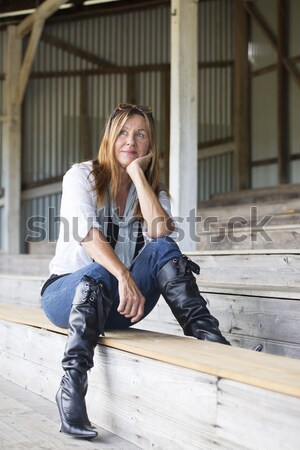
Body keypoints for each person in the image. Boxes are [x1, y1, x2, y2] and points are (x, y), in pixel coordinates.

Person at [40, 103, 230, 440]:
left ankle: (211, 343)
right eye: (124, 133)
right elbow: (88, 237)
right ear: (111, 138)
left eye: (141, 134)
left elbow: (161, 235)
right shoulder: (81, 176)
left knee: (164, 249)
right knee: (97, 274)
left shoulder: (153, 194)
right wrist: (124, 276)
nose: (131, 141)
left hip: (119, 304)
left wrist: (138, 176)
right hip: (66, 297)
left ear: (150, 145)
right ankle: (70, 391)